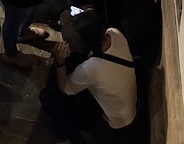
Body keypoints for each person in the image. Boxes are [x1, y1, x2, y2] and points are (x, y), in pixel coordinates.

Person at [41, 11, 136, 144]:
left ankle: (72, 138)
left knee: (50, 98)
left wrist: (60, 61)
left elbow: (65, 88)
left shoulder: (92, 68)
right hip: (128, 107)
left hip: (115, 123)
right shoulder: (114, 33)